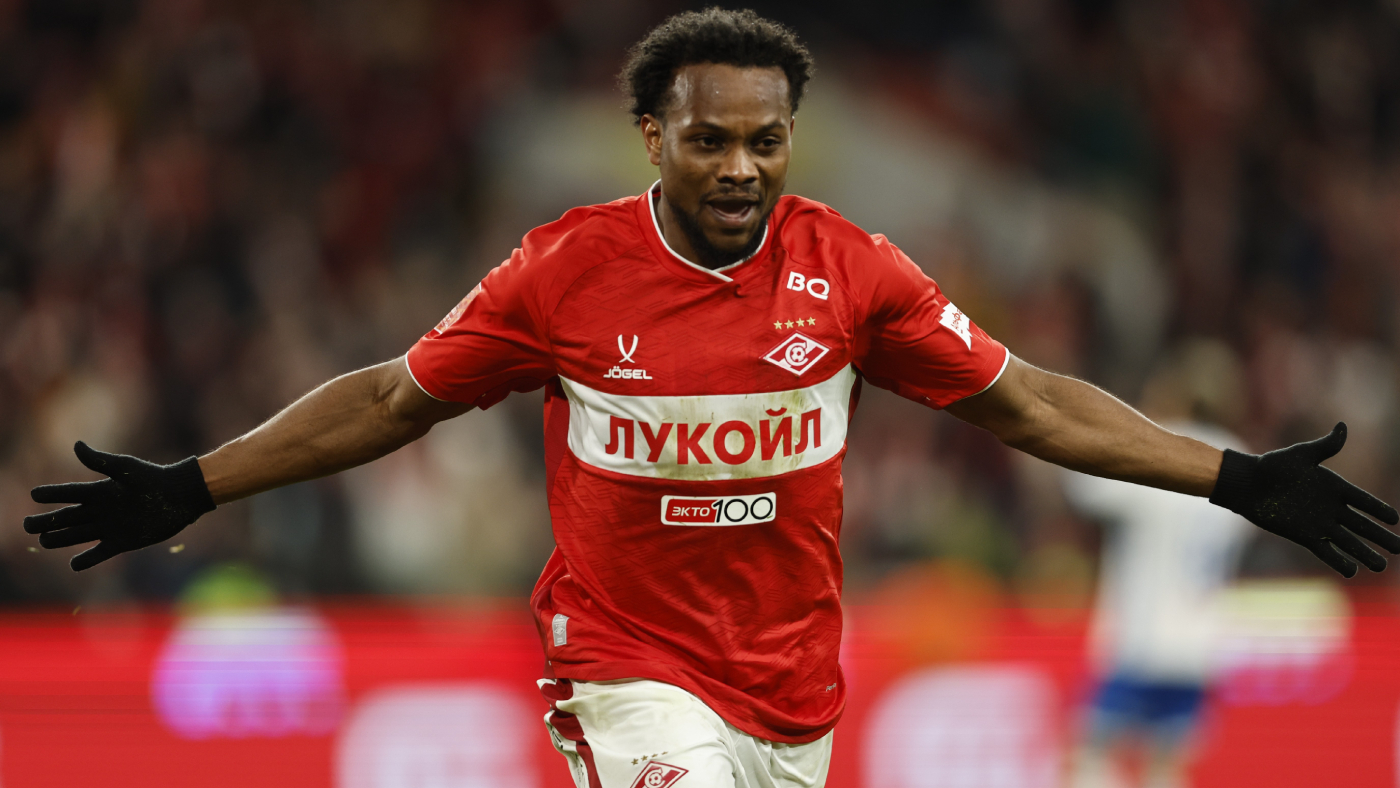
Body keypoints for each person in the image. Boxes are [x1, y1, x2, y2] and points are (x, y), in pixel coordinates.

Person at [22, 9, 1400, 788]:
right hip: (625, 668)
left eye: (765, 139)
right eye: (709, 140)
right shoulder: (564, 272)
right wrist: (194, 483)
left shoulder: (852, 273)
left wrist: (1233, 478)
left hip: (792, 694)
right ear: (653, 137)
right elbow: (391, 400)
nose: (740, 166)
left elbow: (1030, 405)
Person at [1063, 342, 1253, 788]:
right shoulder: (1246, 462)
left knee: (1087, 755)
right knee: (1166, 768)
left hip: (1143, 640)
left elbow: (1082, 485)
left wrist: (1132, 423)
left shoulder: (1163, 450)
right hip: (1200, 645)